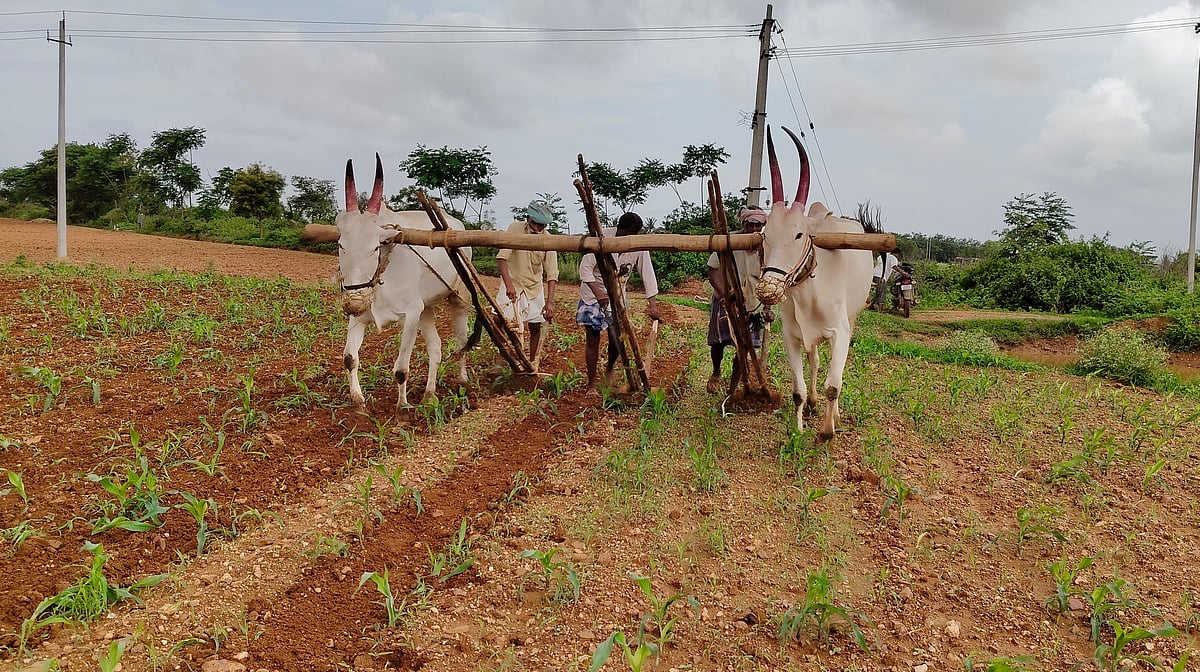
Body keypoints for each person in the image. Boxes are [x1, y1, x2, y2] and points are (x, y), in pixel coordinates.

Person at [575, 211, 662, 395]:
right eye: (623, 234)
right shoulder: (601, 238)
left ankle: (610, 367)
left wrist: (652, 305)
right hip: (592, 294)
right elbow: (585, 269)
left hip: (618, 297)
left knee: (617, 339)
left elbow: (647, 273)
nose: (625, 239)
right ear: (618, 229)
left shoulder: (638, 246)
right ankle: (591, 384)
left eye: (630, 236)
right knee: (592, 339)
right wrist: (598, 293)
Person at [706, 205, 773, 393]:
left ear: (763, 226)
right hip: (726, 301)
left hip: (753, 305)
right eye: (750, 225)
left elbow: (770, 280)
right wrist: (724, 294)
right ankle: (716, 371)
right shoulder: (728, 243)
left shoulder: (766, 248)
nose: (753, 230)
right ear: (743, 224)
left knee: (743, 348)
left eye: (758, 226)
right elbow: (713, 270)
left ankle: (733, 388)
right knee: (718, 342)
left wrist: (767, 306)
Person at [496, 201, 559, 365]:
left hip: (533, 286)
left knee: (536, 325)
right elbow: (502, 258)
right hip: (513, 281)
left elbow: (552, 273)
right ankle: (504, 355)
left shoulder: (549, 240)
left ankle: (531, 361)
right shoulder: (514, 229)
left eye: (541, 226)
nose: (538, 228)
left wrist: (550, 302)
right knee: (498, 320)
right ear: (528, 219)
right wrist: (509, 285)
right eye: (535, 224)